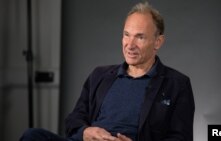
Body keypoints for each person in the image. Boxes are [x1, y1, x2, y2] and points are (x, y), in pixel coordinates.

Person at [20, 2, 195, 141]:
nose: (130, 44)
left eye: (139, 37)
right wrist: (85, 132)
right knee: (32, 136)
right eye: (127, 35)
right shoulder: (100, 76)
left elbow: (181, 138)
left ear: (158, 42)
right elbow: (74, 120)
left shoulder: (176, 84)